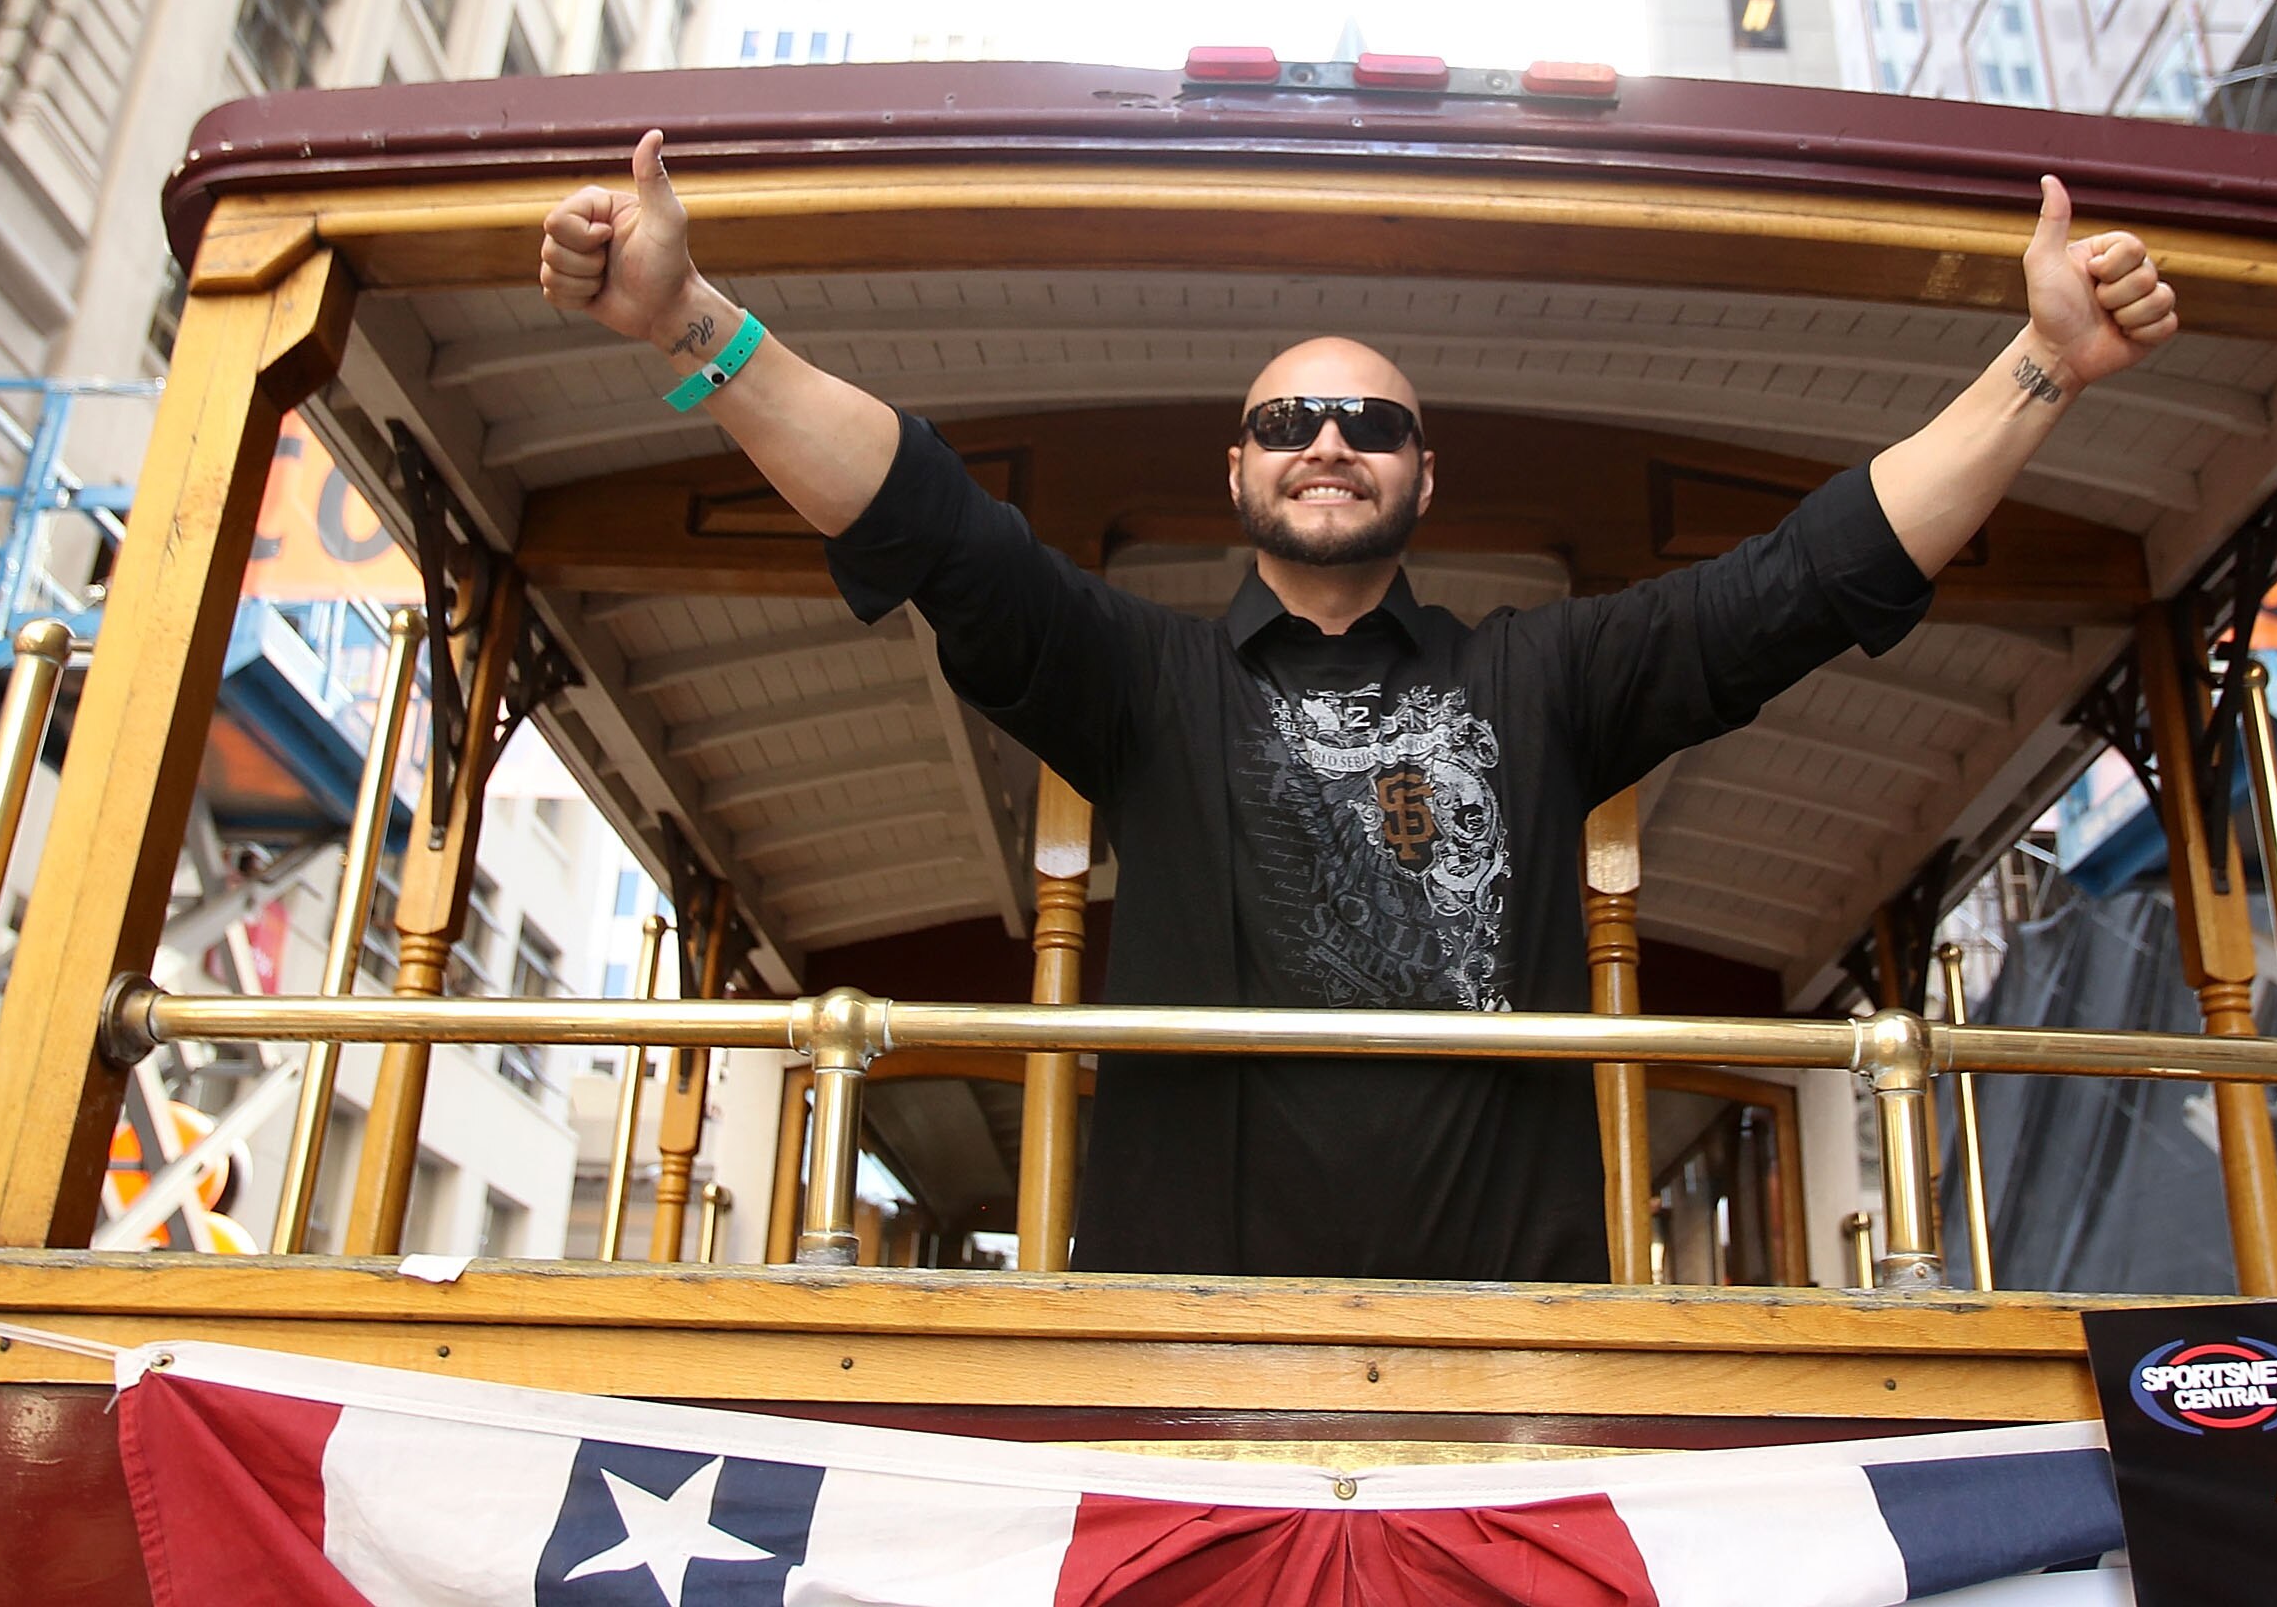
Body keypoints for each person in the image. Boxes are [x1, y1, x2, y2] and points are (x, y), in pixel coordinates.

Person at [540, 133, 2179, 1282]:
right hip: (1177, 1358)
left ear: (1423, 475)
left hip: (1512, 1368)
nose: (1329, 441)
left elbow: (1811, 578)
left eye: (1372, 423)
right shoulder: (1144, 683)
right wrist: (685, 323)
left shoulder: (1544, 681)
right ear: (1238, 470)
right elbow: (928, 521)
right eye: (1288, 420)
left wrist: (2041, 366)